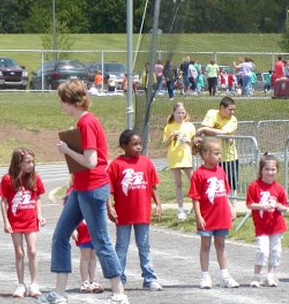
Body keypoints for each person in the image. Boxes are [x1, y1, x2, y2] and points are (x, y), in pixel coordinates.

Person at [36, 79, 129, 304]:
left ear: (71, 101)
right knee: (60, 236)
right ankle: (59, 294)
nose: (61, 106)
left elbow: (91, 161)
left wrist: (67, 149)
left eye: (62, 101)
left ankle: (119, 293)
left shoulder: (87, 123)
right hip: (81, 187)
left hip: (92, 187)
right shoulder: (83, 123)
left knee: (101, 240)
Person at [107, 129, 162, 291]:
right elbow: (109, 190)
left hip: (142, 212)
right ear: (124, 146)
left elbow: (153, 186)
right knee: (122, 246)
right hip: (124, 214)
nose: (139, 147)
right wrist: (109, 206)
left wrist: (158, 204)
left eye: (140, 144)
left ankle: (149, 278)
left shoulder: (146, 162)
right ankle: (119, 279)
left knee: (144, 245)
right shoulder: (116, 165)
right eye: (134, 144)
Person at [188, 136, 239, 289]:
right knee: (205, 246)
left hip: (221, 215)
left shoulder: (221, 171)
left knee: (221, 245)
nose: (219, 156)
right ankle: (205, 276)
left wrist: (230, 207)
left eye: (219, 153)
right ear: (205, 155)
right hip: (207, 216)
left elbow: (225, 192)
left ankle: (225, 276)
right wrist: (198, 216)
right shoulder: (199, 174)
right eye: (216, 153)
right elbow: (195, 198)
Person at [0, 147, 46, 298]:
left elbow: (37, 198)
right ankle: (20, 284)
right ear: (19, 163)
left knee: (32, 251)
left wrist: (39, 215)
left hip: (30, 220)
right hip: (15, 221)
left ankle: (34, 283)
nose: (31, 165)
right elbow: (4, 202)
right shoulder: (8, 179)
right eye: (27, 162)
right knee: (19, 253)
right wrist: (6, 221)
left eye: (32, 162)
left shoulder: (35, 178)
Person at [245, 154, 289, 287]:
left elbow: (285, 206)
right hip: (262, 226)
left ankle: (271, 275)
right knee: (262, 251)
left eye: (273, 169)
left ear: (277, 171)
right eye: (267, 169)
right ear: (261, 170)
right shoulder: (254, 186)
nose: (270, 172)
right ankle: (256, 276)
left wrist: (281, 207)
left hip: (276, 226)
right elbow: (249, 204)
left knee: (275, 251)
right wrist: (261, 206)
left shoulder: (278, 188)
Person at [197, 97, 238, 194]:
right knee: (216, 183)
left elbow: (223, 132)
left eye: (233, 110)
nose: (232, 112)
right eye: (230, 109)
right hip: (213, 157)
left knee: (231, 184)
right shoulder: (212, 113)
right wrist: (206, 130)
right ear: (222, 108)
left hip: (229, 157)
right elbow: (205, 127)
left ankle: (233, 206)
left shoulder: (233, 120)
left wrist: (206, 130)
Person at [162, 103, 196, 220]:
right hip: (174, 157)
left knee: (193, 182)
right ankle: (180, 209)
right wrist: (171, 135)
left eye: (182, 112)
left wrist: (187, 140)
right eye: (178, 113)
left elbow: (195, 143)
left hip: (186, 157)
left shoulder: (190, 126)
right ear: (174, 113)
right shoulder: (169, 126)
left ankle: (197, 207)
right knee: (178, 184)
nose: (180, 115)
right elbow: (165, 144)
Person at [72, 220, 104, 294]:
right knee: (85, 257)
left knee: (93, 256)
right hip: (82, 228)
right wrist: (73, 229)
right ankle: (85, 281)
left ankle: (93, 280)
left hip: (94, 229)